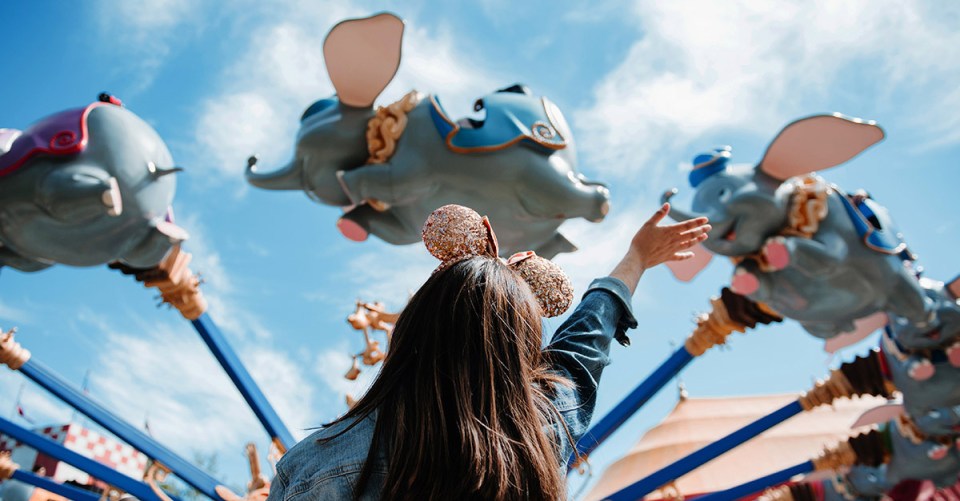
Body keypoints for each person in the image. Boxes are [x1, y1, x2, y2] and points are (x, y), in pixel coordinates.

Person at [269, 203, 710, 501]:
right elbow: (583, 345)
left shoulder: (318, 461)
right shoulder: (537, 433)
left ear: (410, 329)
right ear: (520, 348)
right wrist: (635, 258)